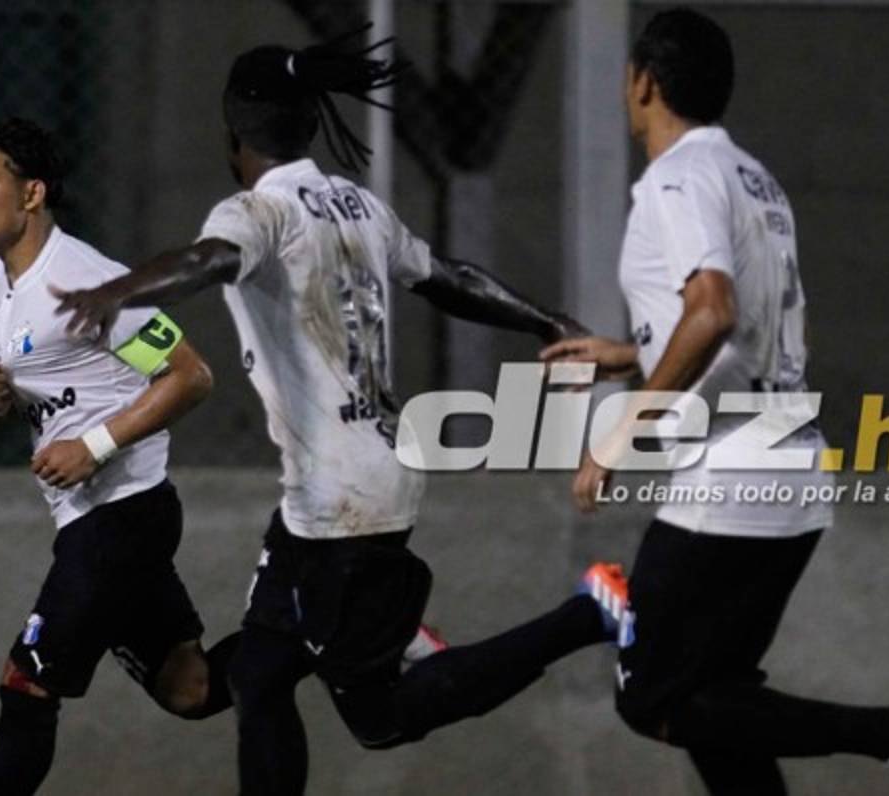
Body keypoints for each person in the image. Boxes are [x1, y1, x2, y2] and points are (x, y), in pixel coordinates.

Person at [52, 34, 624, 796]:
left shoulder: (258, 211)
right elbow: (447, 277)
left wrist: (116, 292)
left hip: (342, 508)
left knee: (381, 719)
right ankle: (395, 625)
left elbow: (208, 260)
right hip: (334, 490)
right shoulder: (358, 203)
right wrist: (544, 317)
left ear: (234, 134)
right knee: (257, 673)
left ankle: (588, 614)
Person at [541, 9, 889, 795]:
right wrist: (630, 355)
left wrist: (620, 433)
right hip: (789, 465)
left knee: (648, 694)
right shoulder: (754, 178)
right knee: (713, 708)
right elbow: (740, 327)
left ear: (644, 82)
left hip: (729, 478)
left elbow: (714, 311)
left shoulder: (675, 177)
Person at [0, 118, 238, 795]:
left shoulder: (89, 287)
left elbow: (189, 376)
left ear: (32, 194)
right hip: (87, 521)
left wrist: (94, 445)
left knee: (26, 682)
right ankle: (330, 622)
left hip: (124, 516)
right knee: (190, 689)